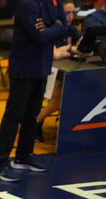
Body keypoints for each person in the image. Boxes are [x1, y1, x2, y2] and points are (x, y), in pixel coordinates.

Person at [0, 0, 68, 182]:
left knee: (32, 115)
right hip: (23, 67)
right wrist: (54, 26)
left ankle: (23, 156)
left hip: (42, 66)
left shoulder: (52, 1)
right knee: (13, 116)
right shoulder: (26, 3)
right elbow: (39, 36)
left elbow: (65, 25)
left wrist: (50, 27)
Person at [35, 0, 94, 142]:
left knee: (64, 92)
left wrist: (68, 49)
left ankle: (37, 121)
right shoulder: (50, 28)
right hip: (44, 72)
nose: (70, 16)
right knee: (64, 92)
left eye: (73, 12)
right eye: (67, 12)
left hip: (63, 73)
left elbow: (88, 51)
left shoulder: (72, 29)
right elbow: (54, 55)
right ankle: (36, 122)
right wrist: (72, 49)